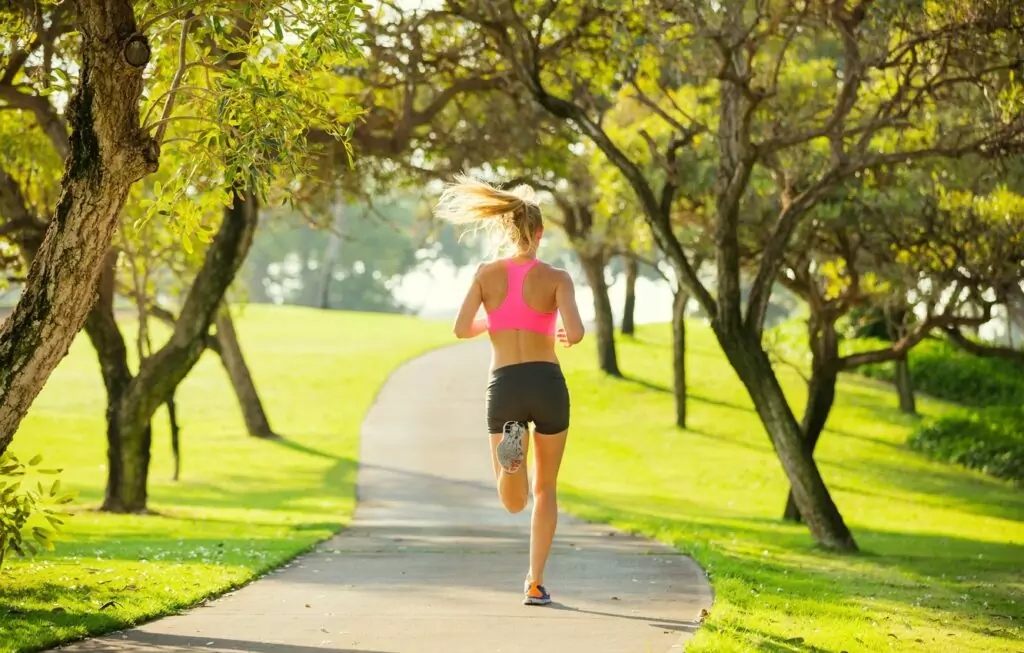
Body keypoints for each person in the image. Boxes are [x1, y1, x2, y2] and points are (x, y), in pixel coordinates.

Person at [433, 174, 585, 607]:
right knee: (546, 490)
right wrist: (561, 331)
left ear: (504, 229)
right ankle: (535, 582)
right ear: (539, 234)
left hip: (505, 386)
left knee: (513, 500)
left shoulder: (486, 275)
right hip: (548, 383)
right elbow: (574, 332)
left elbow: (461, 329)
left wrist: (494, 321)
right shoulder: (557, 278)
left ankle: (510, 463)